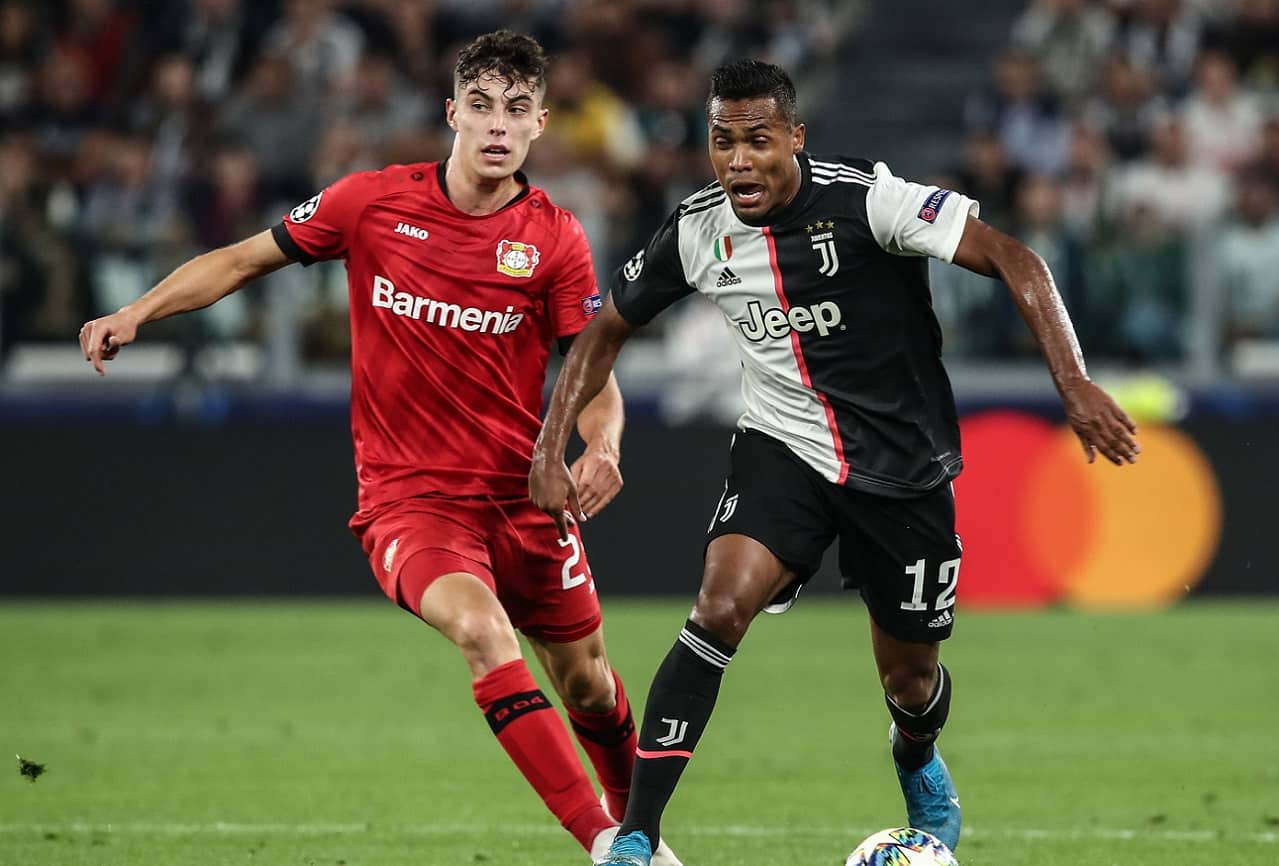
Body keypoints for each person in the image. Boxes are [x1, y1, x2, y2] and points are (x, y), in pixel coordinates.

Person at [77, 30, 681, 866]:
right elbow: (243, 260)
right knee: (483, 634)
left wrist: (603, 445)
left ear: (540, 123)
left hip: (525, 501)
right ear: (451, 112)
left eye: (515, 110)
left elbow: (590, 373)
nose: (496, 125)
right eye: (480, 106)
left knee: (588, 682)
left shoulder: (555, 239)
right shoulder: (370, 203)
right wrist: (136, 312)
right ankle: (607, 844)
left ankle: (642, 836)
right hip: (413, 503)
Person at [529, 59, 1140, 865]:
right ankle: (635, 836)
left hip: (901, 468)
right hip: (781, 448)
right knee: (716, 609)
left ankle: (915, 754)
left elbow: (1016, 259)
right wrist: (551, 446)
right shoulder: (696, 230)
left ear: (795, 138)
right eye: (721, 142)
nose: (738, 161)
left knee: (910, 679)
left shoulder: (869, 202)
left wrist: (1073, 383)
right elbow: (605, 330)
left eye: (757, 140)